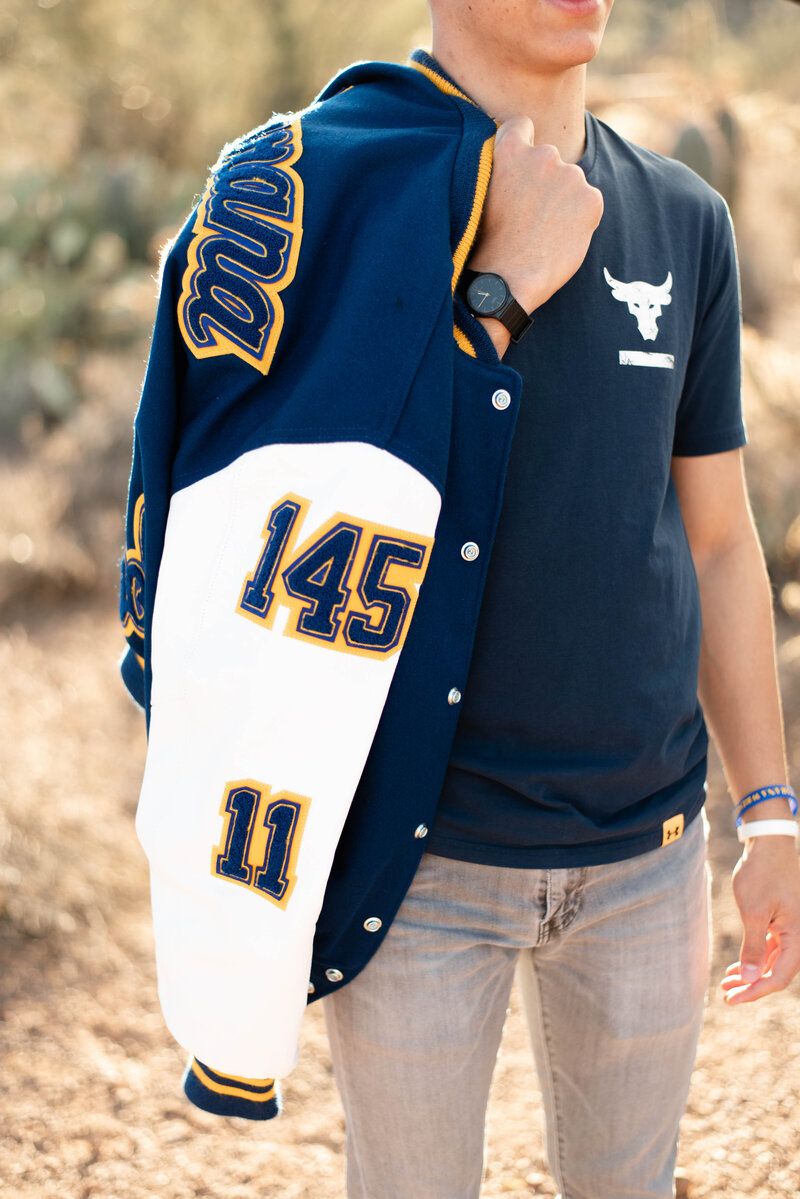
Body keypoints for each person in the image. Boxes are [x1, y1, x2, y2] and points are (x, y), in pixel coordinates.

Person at [119, 1, 800, 1196]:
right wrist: (491, 294)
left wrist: (769, 810)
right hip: (417, 862)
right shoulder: (325, 195)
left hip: (644, 857)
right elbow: (255, 505)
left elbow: (716, 541)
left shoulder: (685, 217)